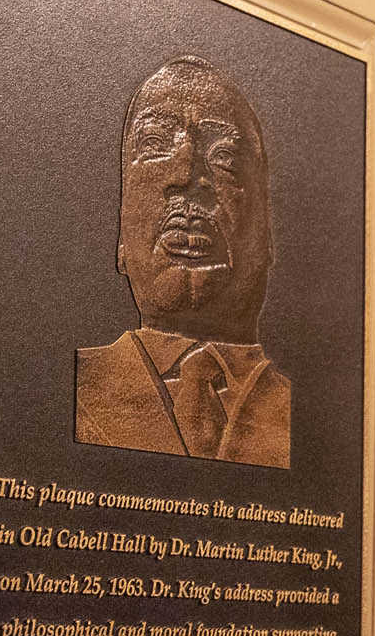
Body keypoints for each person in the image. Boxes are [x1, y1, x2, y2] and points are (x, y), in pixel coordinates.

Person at [76, 56, 291, 468]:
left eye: (225, 156)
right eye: (155, 145)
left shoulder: (315, 421)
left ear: (267, 231)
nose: (186, 174)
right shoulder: (67, 389)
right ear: (121, 231)